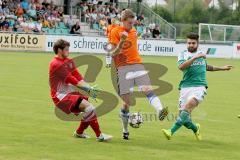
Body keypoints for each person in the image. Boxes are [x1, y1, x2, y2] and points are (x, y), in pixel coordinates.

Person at [109, 9, 168, 140]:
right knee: (126, 103)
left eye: (133, 23)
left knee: (147, 89)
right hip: (123, 69)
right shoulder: (115, 32)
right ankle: (125, 130)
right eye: (130, 23)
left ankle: (160, 110)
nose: (132, 25)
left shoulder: (134, 31)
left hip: (137, 65)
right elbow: (112, 53)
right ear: (123, 21)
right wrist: (121, 42)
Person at [162, 33, 233, 141]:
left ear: (197, 43)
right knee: (184, 119)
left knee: (189, 105)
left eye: (193, 43)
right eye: (189, 43)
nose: (191, 45)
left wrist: (222, 68)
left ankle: (170, 131)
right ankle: (196, 128)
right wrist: (195, 57)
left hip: (199, 87)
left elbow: (206, 67)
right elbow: (181, 67)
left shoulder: (200, 54)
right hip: (185, 87)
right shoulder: (183, 54)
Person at [49, 39, 112, 142]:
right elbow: (73, 80)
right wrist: (89, 89)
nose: (68, 51)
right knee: (89, 108)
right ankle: (100, 136)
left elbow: (77, 76)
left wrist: (89, 88)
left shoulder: (68, 61)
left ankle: (79, 132)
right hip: (60, 96)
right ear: (60, 50)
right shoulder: (56, 64)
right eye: (66, 49)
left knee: (89, 110)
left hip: (69, 91)